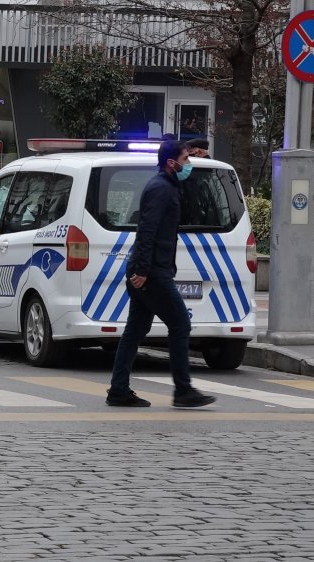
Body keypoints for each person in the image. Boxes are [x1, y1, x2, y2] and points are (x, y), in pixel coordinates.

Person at [106, 140, 217, 409]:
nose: (188, 164)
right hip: (151, 273)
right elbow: (147, 230)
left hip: (152, 269)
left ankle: (119, 390)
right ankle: (183, 390)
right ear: (171, 163)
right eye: (185, 159)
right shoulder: (161, 189)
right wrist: (143, 270)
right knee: (180, 324)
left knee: (135, 329)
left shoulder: (167, 186)